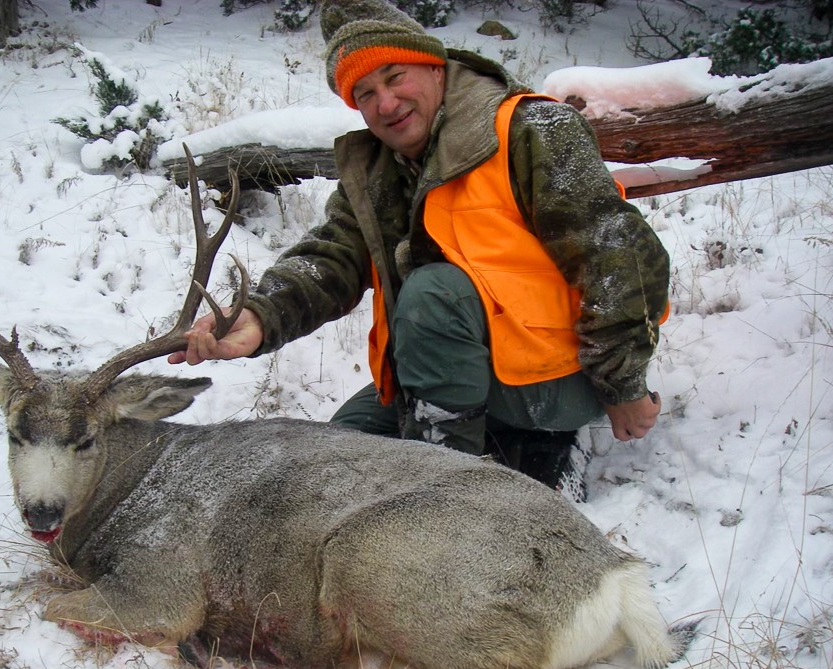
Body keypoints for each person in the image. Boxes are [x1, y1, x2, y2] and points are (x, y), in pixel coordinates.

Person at [169, 0, 670, 497]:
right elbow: (331, 258)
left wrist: (622, 384)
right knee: (333, 458)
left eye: (394, 76)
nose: (385, 104)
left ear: (436, 67)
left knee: (435, 291)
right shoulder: (379, 171)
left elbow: (619, 255)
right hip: (456, 370)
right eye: (364, 92)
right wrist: (258, 318)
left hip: (557, 377)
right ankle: (480, 444)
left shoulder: (531, 130)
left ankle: (449, 497)